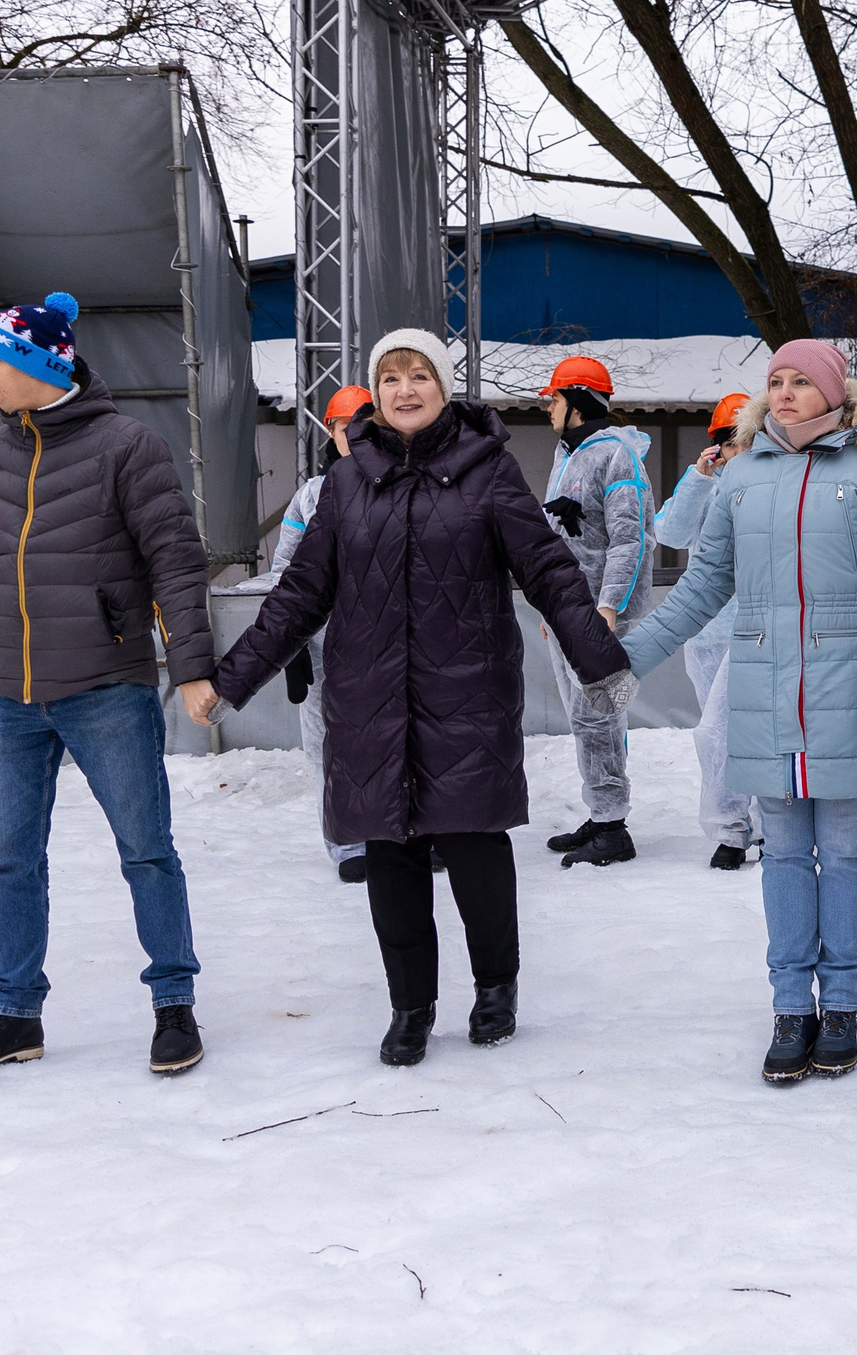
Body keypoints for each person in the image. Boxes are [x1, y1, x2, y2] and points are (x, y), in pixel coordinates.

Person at [204, 332, 630, 1066]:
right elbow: (300, 593)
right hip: (370, 699)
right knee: (391, 858)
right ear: (376, 394)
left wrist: (600, 660)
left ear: (444, 386)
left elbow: (548, 569)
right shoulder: (346, 482)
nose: (405, 389)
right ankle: (411, 1007)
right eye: (391, 378)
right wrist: (230, 679)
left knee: (475, 849)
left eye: (420, 375)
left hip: (467, 695)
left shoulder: (488, 469)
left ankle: (495, 987)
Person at [0, 292, 222, 1082]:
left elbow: (175, 562)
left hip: (105, 685)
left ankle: (174, 1004)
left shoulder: (128, 446)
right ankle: (15, 1014)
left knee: (145, 851)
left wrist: (192, 666)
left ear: (39, 364)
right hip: (10, 700)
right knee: (9, 861)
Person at [623, 341, 857, 1085]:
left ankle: (842, 1004)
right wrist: (626, 654)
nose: (785, 392)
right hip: (766, 693)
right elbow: (703, 585)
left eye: (801, 382)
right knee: (785, 853)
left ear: (835, 394)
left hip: (851, 695)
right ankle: (792, 1006)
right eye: (776, 381)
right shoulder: (742, 476)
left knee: (847, 852)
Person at [535, 355, 654, 869]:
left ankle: (613, 825)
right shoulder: (568, 454)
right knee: (582, 718)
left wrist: (608, 607)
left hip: (598, 613)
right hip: (567, 610)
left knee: (598, 714)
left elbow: (631, 540)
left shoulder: (617, 455)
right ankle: (601, 811)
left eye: (555, 399)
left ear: (578, 402)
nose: (548, 408)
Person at [264, 385, 376, 882]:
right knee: (329, 746)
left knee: (401, 738)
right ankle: (348, 843)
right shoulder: (310, 496)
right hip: (324, 645)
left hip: (391, 642)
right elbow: (284, 572)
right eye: (345, 427)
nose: (355, 436)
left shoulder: (403, 483)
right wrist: (288, 645)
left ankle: (406, 836)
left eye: (364, 426)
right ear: (330, 432)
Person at [652, 393, 758, 869]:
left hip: (758, 632)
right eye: (729, 443)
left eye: (746, 441)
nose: (737, 452)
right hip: (708, 634)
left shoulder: (773, 485)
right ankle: (733, 828)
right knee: (718, 738)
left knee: (736, 731)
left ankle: (757, 828)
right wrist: (698, 478)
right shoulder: (703, 486)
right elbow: (670, 534)